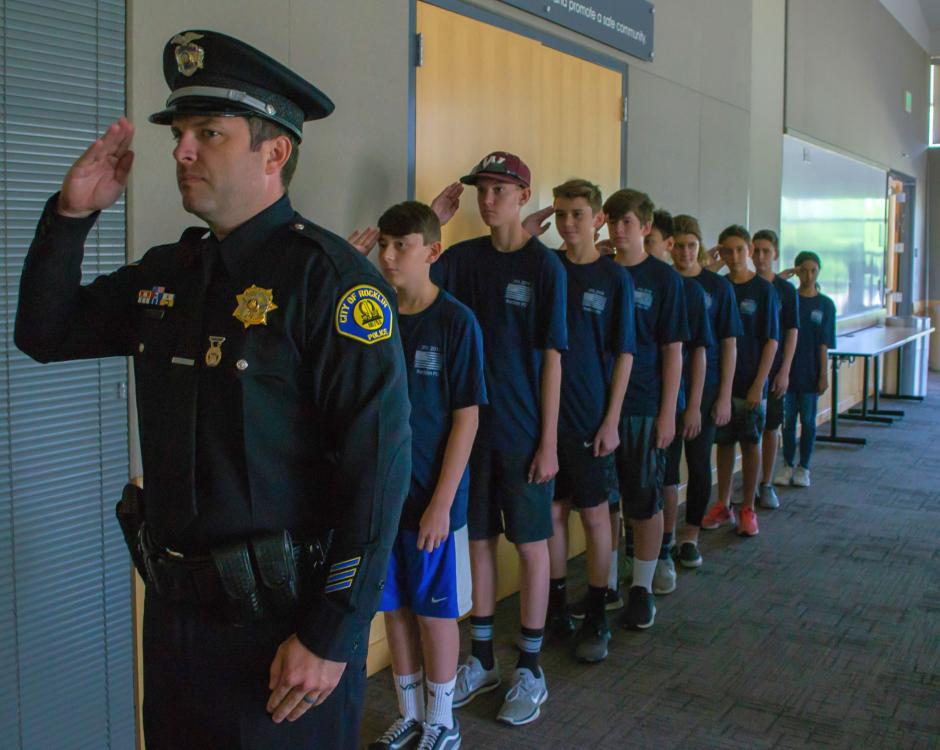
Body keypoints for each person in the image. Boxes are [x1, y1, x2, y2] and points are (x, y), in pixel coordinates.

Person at [14, 30, 411, 750]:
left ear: (275, 152)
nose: (181, 150)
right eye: (180, 133)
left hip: (286, 634)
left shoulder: (330, 284)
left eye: (208, 133)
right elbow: (45, 334)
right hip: (176, 622)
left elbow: (377, 470)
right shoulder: (170, 275)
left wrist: (333, 633)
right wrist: (70, 218)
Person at [430, 152, 568, 726]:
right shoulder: (461, 260)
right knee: (479, 542)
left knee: (530, 546)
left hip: (523, 432)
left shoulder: (545, 268)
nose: (488, 200)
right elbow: (408, 272)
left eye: (499, 190)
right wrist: (432, 220)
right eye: (482, 190)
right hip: (469, 432)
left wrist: (550, 442)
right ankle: (482, 659)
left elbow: (553, 359)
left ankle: (530, 668)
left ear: (523, 195)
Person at [363, 202, 486, 750]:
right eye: (382, 244)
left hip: (435, 501)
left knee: (435, 613)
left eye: (401, 246)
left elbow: (466, 417)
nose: (387, 256)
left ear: (432, 252)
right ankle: (410, 714)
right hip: (384, 498)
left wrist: (442, 502)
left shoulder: (457, 322)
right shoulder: (372, 314)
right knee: (394, 608)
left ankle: (442, 720)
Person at [543, 179, 635, 662]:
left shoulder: (614, 277)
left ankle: (598, 611)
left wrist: (612, 419)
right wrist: (535, 226)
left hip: (591, 416)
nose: (568, 223)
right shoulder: (549, 267)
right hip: (546, 420)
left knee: (596, 518)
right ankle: (558, 607)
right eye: (560, 214)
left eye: (578, 214)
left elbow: (624, 355)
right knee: (554, 514)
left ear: (597, 218)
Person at [604, 189, 687, 629]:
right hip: (600, 408)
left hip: (644, 406)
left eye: (628, 223)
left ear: (646, 227)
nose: (619, 231)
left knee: (644, 500)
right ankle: (611, 584)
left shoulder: (664, 280)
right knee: (606, 503)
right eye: (613, 222)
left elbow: (673, 350)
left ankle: (642, 587)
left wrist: (668, 412)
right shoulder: (600, 271)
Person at [646, 211, 714, 592]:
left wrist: (689, 406)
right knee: (637, 483)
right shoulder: (623, 278)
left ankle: (668, 547)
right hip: (634, 402)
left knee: (671, 475)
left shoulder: (688, 291)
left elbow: (697, 352)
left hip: (674, 400)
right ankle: (635, 553)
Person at [669, 215, 742, 568]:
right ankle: (664, 536)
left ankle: (690, 536)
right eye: (679, 245)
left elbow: (729, 345)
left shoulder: (718, 288)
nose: (685, 252)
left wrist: (725, 395)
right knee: (665, 468)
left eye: (692, 246)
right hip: (666, 388)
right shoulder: (663, 282)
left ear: (701, 247)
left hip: (709, 387)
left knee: (698, 464)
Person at [701, 226, 779, 537]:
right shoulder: (718, 286)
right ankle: (723, 504)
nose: (734, 257)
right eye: (727, 251)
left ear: (748, 250)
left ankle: (747, 507)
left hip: (749, 382)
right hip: (721, 382)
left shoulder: (764, 290)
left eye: (739, 250)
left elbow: (772, 341)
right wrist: (711, 264)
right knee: (723, 444)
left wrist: (759, 384)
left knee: (750, 443)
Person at [778, 252, 836, 488]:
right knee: (788, 420)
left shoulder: (825, 304)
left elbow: (824, 343)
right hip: (787, 371)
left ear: (818, 272)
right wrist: (783, 278)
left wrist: (823, 374)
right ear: (797, 271)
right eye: (803, 270)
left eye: (813, 271)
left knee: (809, 421)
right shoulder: (789, 298)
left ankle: (804, 467)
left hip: (811, 371)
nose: (808, 275)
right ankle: (787, 464)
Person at [751, 230, 799, 509]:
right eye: (755, 250)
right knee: (742, 431)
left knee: (770, 427)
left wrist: (785, 370)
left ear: (775, 254)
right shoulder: (740, 284)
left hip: (775, 369)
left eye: (765, 251)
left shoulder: (785, 290)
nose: (759, 257)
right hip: (745, 369)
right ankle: (741, 486)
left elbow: (792, 332)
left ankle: (766, 483)